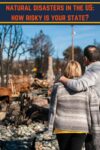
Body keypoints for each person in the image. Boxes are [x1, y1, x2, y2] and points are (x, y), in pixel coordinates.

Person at [48, 60, 100, 150]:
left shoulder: (58, 87)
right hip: (81, 127)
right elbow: (94, 111)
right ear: (80, 71)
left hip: (62, 126)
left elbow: (52, 109)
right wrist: (95, 131)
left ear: (66, 70)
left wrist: (49, 128)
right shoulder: (88, 89)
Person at [59, 45, 100, 149]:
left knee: (92, 146)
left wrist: (63, 79)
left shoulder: (93, 71)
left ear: (85, 59)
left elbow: (78, 85)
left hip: (97, 115)